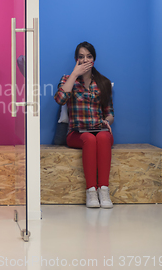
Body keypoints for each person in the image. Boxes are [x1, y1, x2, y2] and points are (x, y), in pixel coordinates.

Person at [54, 42, 114, 209]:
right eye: (81, 57)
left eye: (89, 56)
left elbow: (110, 113)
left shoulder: (103, 82)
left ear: (94, 59)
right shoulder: (67, 79)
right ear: (76, 60)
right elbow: (60, 100)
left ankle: (104, 190)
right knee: (88, 138)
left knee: (102, 136)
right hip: (77, 133)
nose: (85, 60)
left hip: (99, 129)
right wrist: (74, 74)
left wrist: (106, 122)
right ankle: (91, 191)